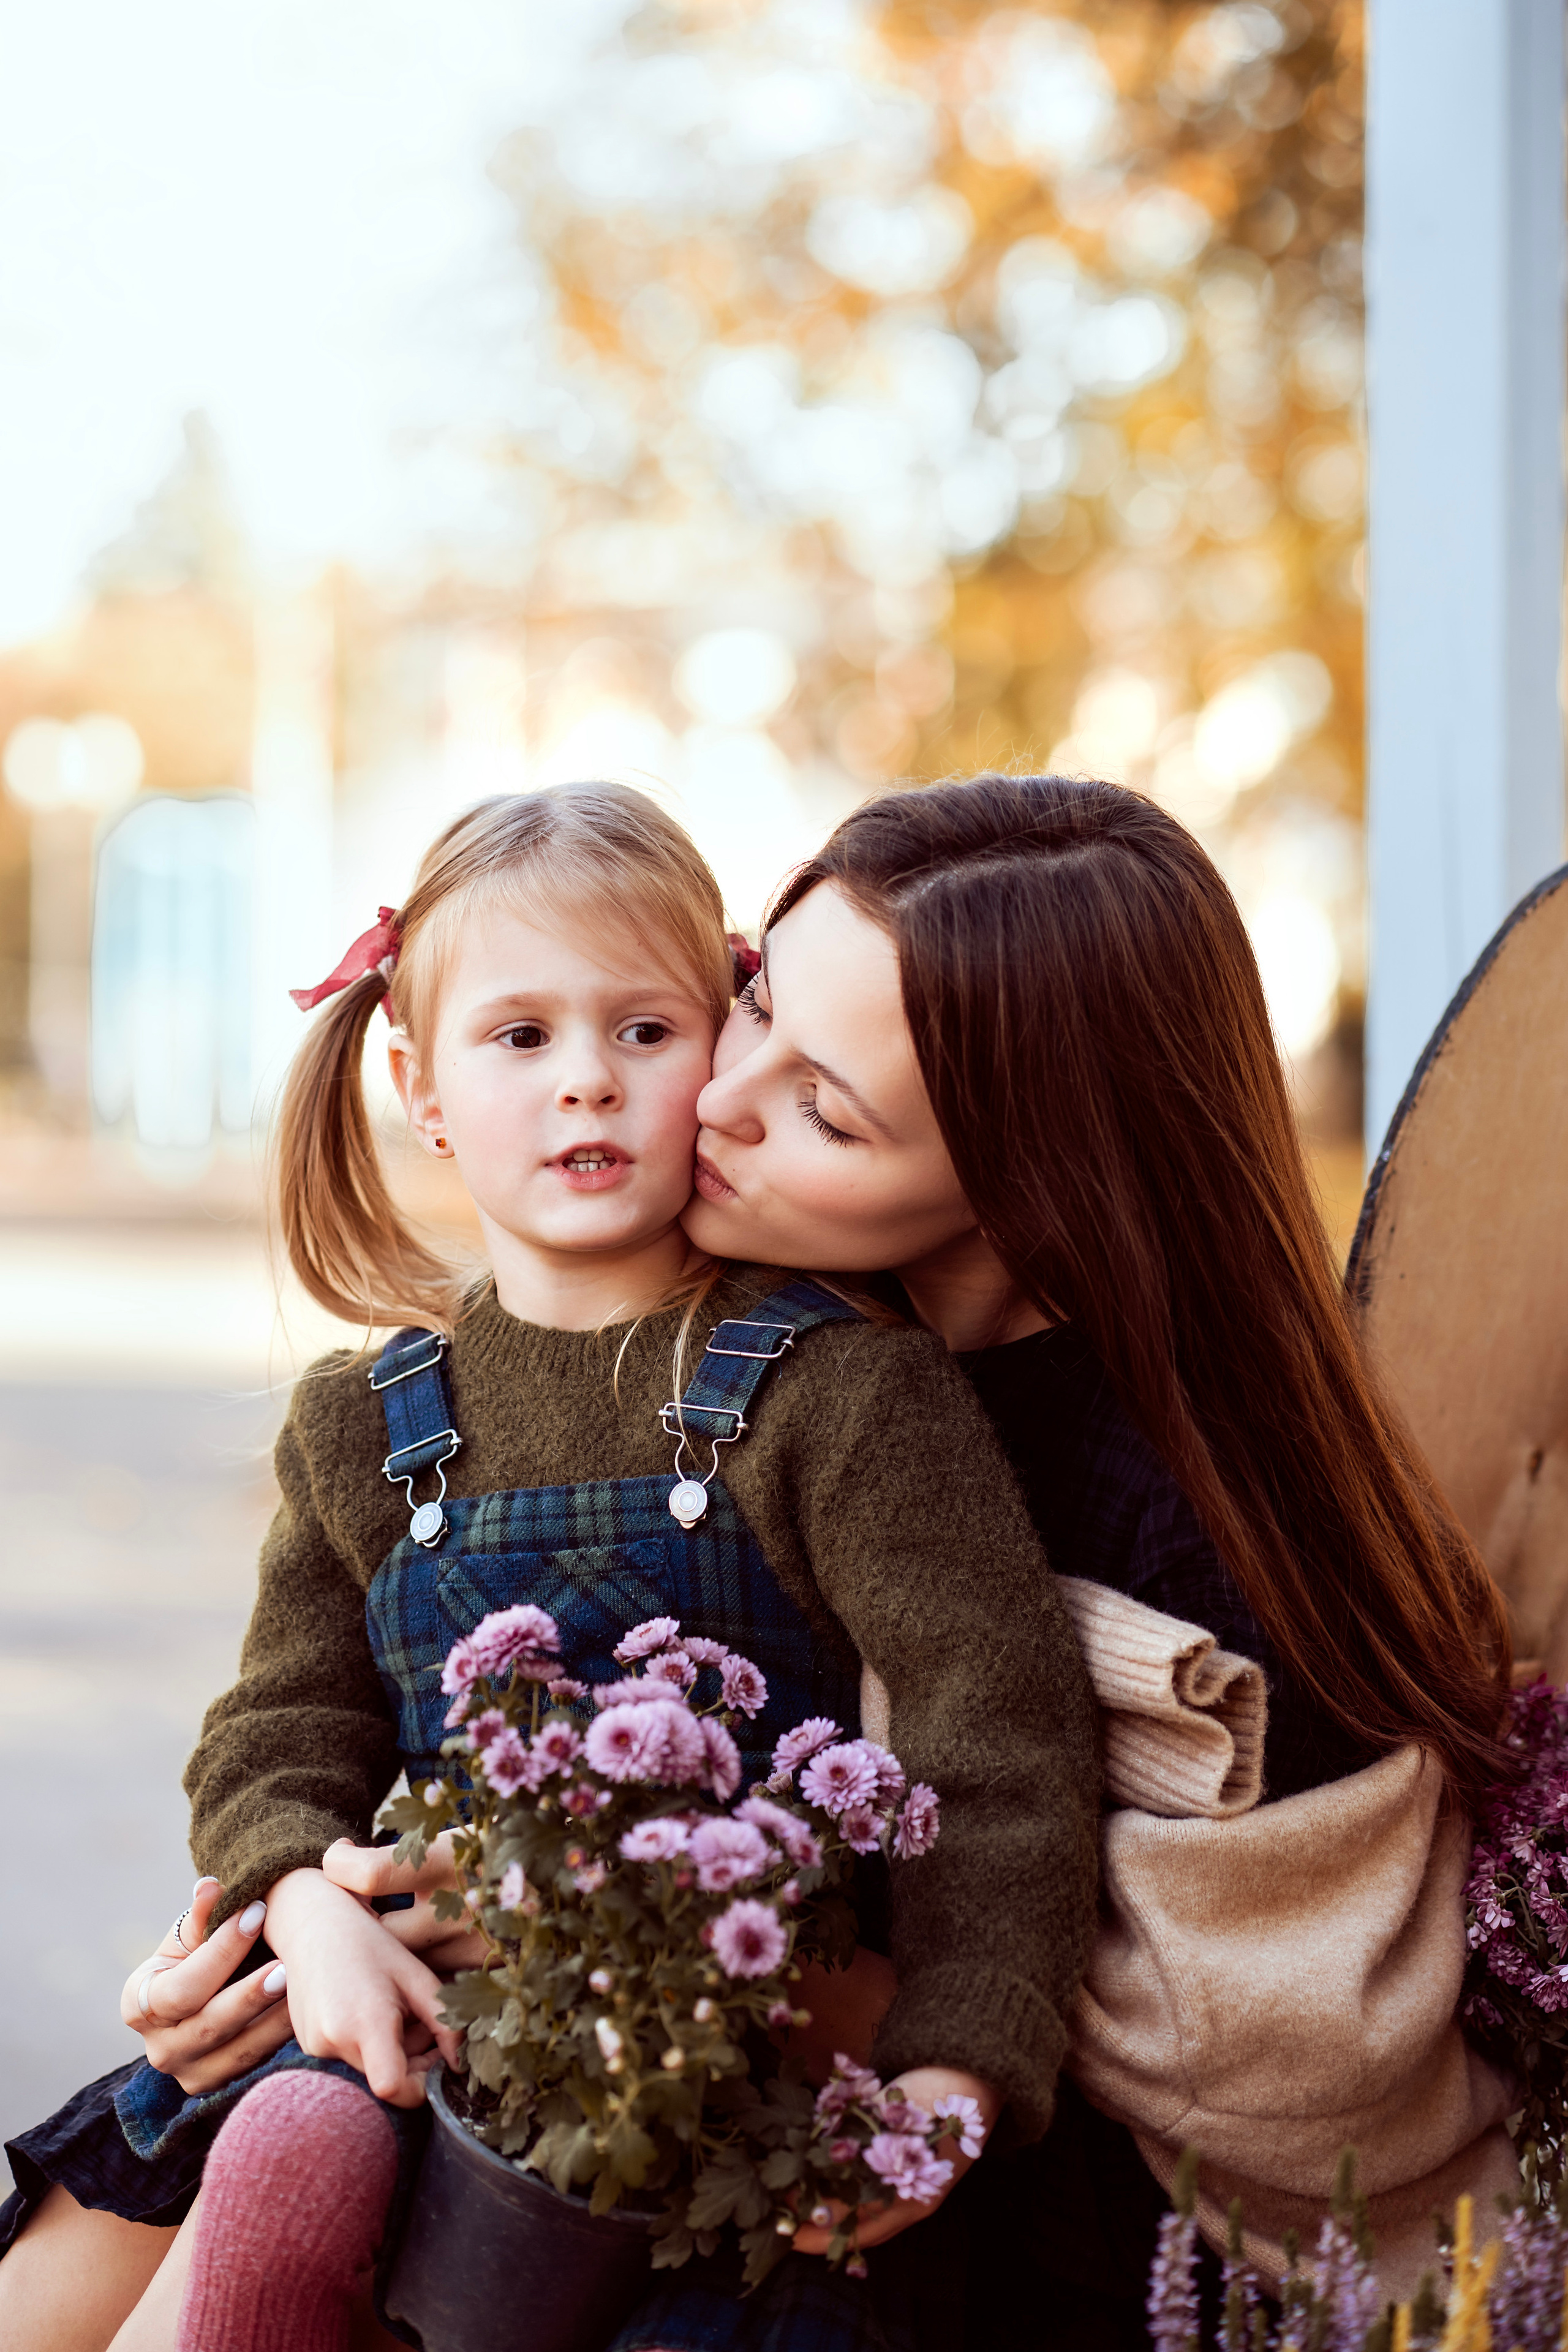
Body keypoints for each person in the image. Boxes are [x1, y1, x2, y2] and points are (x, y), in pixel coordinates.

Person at [0, 780, 1098, 2352]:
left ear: (720, 1049)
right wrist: (302, 1900)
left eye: (645, 1032)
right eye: (520, 1038)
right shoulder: (365, 1423)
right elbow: (275, 1734)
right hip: (396, 2025)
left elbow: (1001, 1748)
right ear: (422, 1087)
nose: (587, 1080)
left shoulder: (837, 1394)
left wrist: (956, 2059)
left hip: (701, 2069)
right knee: (236, 2177)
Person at [673, 770, 1518, 2337]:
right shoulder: (800, 1343)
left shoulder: (1196, 1545)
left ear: (1026, 1180)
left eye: (822, 1109)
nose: (716, 1103)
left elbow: (1255, 2111)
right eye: (751, 1006)